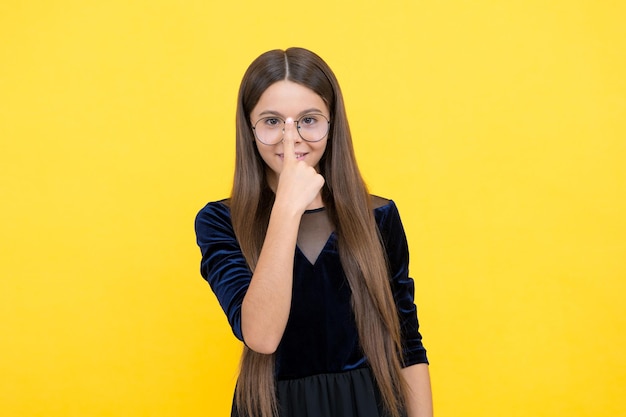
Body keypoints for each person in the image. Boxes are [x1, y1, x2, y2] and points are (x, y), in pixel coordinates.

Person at [195, 47, 433, 417]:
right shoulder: (219, 222)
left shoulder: (379, 216)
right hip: (273, 406)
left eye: (309, 119)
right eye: (272, 122)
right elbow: (261, 335)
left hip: (369, 404)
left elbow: (406, 340)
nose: (292, 139)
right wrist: (287, 207)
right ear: (249, 128)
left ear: (331, 123)